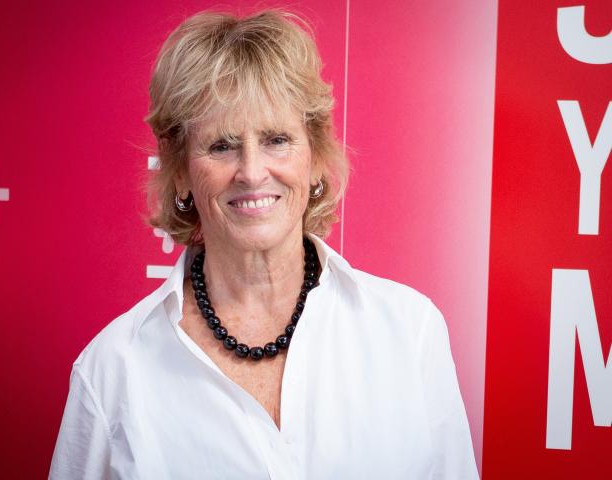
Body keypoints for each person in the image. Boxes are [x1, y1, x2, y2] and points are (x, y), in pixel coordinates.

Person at [49, 9, 478, 480]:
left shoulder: (410, 331)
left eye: (276, 139)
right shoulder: (111, 371)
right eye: (221, 146)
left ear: (316, 158)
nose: (252, 173)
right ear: (180, 172)